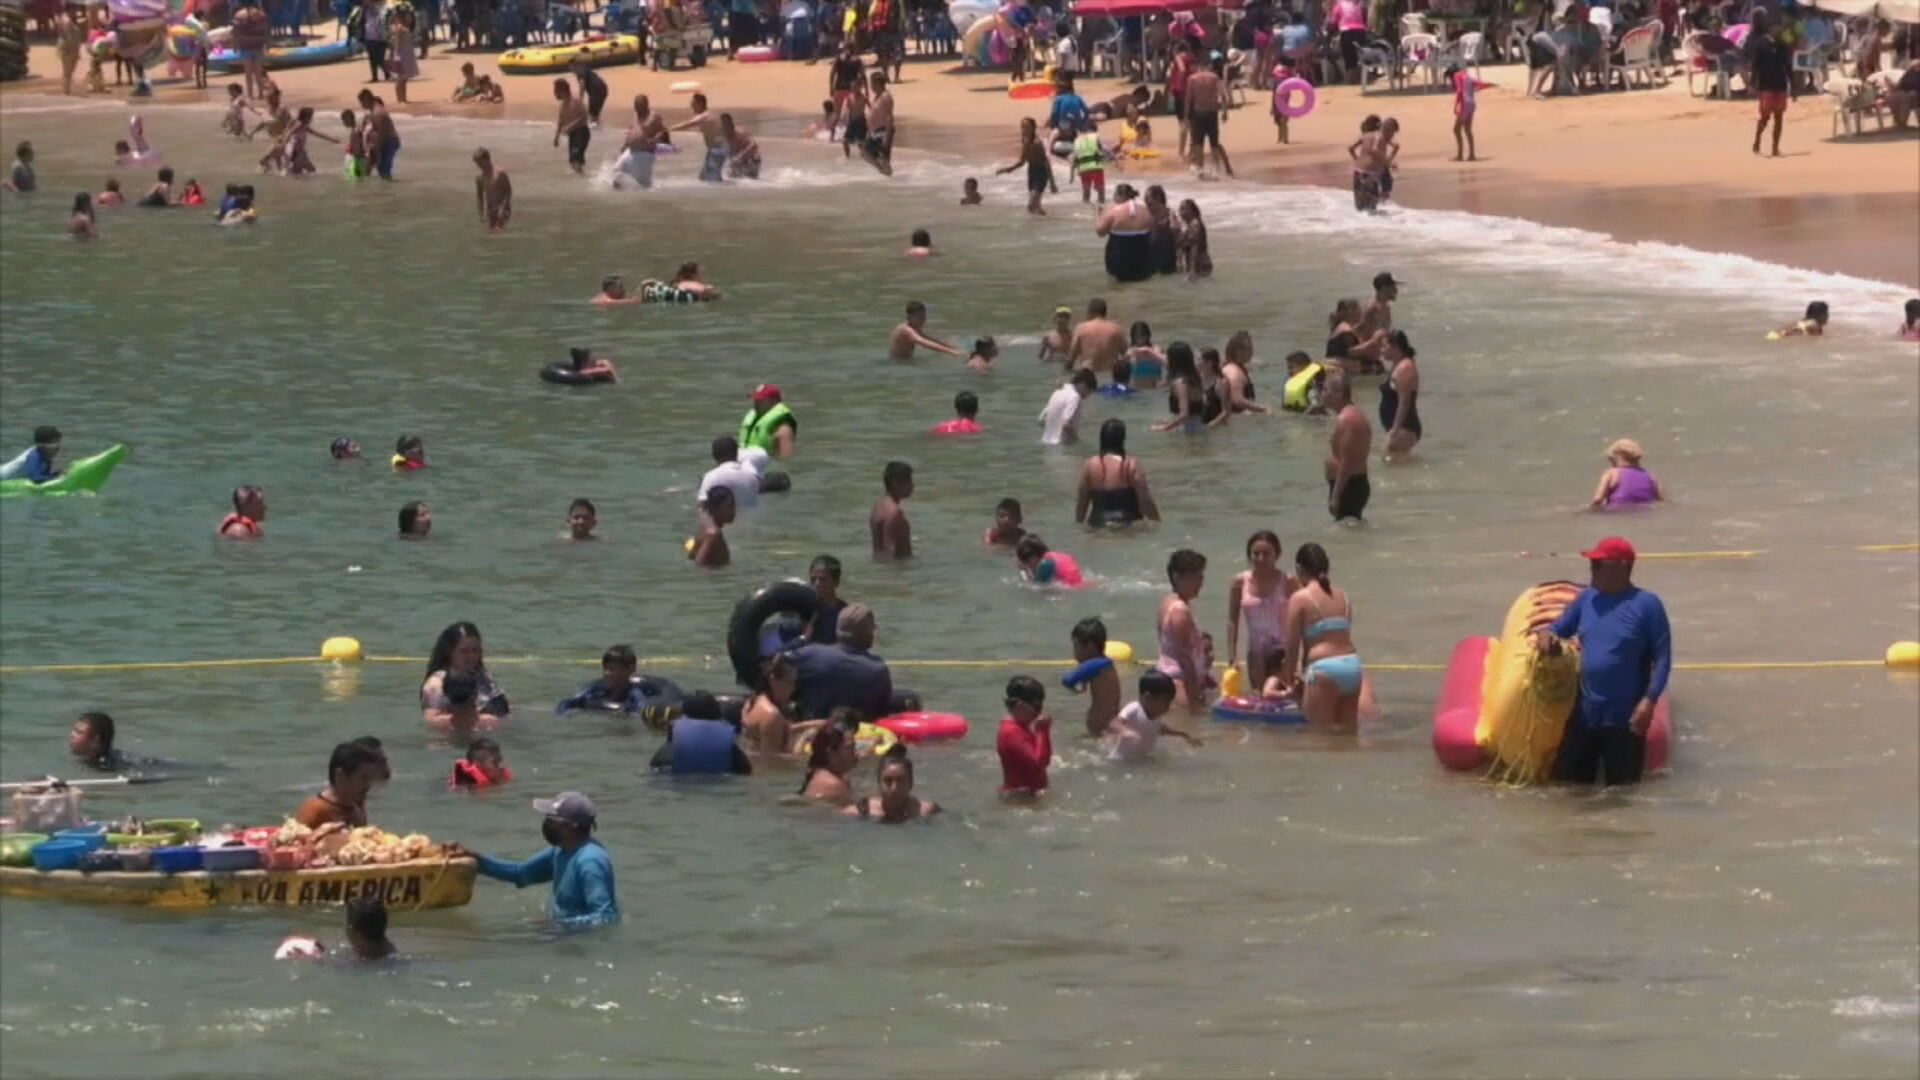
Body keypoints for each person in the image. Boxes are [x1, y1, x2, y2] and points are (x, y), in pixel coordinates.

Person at [1533, 536, 1672, 787]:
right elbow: (1555, 629)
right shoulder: (1587, 599)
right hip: (1585, 716)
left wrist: (1649, 701)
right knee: (1566, 791)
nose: (1591, 569)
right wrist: (1546, 638)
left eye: (1598, 564)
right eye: (1592, 564)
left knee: (1621, 799)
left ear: (1621, 567)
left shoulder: (1647, 605)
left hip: (1626, 722)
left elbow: (1663, 659)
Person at [460, 792, 620, 928]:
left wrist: (559, 924)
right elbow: (521, 873)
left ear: (570, 826)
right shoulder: (560, 851)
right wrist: (477, 862)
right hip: (559, 932)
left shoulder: (590, 862)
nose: (546, 823)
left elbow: (605, 918)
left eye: (551, 820)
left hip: (576, 943)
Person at [1282, 542, 1363, 727]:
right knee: (1347, 737)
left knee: (1318, 738)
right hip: (1352, 667)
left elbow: (1291, 647)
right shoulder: (1343, 596)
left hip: (1324, 670)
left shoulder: (1300, 598)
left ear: (1299, 568)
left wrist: (1289, 683)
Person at [791, 604, 894, 719]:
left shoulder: (808, 655)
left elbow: (775, 665)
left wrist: (802, 639)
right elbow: (882, 714)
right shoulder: (878, 669)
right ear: (868, 634)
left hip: (814, 730)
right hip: (858, 732)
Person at [1227, 530, 1294, 694]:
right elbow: (1232, 621)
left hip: (1282, 651)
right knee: (1258, 697)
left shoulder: (1288, 581)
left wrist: (1298, 654)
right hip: (1256, 652)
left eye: (1266, 553)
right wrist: (1232, 656)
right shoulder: (1240, 582)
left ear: (1277, 555)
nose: (1260, 559)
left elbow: (1301, 618)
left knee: (1277, 694)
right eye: (1255, 554)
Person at [420, 621, 509, 726]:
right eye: (464, 651)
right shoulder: (436, 685)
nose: (470, 656)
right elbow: (431, 720)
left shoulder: (481, 674)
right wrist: (479, 721)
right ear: (450, 652)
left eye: (475, 651)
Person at [1076, 418, 1159, 526]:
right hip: (1127, 525)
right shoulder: (1131, 464)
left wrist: (1079, 525)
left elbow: (1082, 502)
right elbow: (1145, 501)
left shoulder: (1089, 465)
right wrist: (1158, 522)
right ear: (1122, 439)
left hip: (1097, 524)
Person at [1156, 548, 1211, 709]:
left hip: (1165, 675)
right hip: (1179, 682)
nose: (1200, 582)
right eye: (1195, 577)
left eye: (1201, 576)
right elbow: (1185, 659)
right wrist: (1195, 695)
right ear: (1177, 577)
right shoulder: (1180, 610)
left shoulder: (1167, 602)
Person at [1107, 669, 1198, 762]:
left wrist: (1184, 735)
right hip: (1120, 761)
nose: (1168, 707)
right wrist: (1126, 731)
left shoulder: (1155, 717)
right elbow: (1113, 723)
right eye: (1165, 702)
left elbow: (1163, 729)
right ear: (1148, 697)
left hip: (1140, 761)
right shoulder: (1134, 709)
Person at [650, 694, 754, 774]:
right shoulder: (731, 750)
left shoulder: (671, 749)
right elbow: (746, 770)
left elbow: (655, 765)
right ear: (717, 716)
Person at [292, 740, 383, 828]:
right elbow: (291, 841)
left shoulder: (356, 809)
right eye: (363, 778)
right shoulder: (315, 810)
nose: (368, 785)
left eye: (370, 779)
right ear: (340, 775)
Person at [1324, 370, 1372, 523]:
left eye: (1325, 390)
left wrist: (1336, 496)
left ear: (1338, 393)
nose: (1322, 394)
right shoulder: (1347, 415)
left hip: (1349, 487)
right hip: (1349, 485)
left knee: (1348, 531)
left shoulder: (1348, 419)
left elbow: (1347, 461)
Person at [844, 749, 940, 822]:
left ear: (910, 783)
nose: (894, 788)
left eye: (900, 781)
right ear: (879, 783)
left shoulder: (925, 811)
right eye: (888, 781)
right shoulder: (859, 812)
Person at [554, 644, 654, 714]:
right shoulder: (595, 689)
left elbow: (641, 711)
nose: (606, 673)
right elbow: (569, 702)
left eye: (612, 669)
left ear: (630, 669)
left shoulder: (635, 694)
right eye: (605, 668)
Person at [1745, 8, 1792, 157]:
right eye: (1775, 27)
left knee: (1779, 118)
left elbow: (1787, 65)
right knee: (1765, 118)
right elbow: (1755, 65)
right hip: (1766, 85)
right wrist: (1752, 83)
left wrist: (1794, 84)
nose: (1777, 29)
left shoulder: (1782, 45)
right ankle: (1757, 141)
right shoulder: (1761, 44)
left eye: (1779, 27)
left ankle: (1775, 147)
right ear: (1770, 28)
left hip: (1780, 84)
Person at [997, 676, 1053, 797]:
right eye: (1037, 707)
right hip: (1021, 799)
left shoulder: (1018, 727)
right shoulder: (1012, 732)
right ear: (1020, 705)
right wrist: (1042, 731)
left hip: (1026, 796)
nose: (1039, 712)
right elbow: (1039, 764)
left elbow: (1041, 761)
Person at [1066, 616, 1123, 735]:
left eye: (1076, 646)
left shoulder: (1095, 664)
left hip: (1102, 726)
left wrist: (1075, 686)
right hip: (1109, 723)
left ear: (1090, 647)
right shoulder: (1104, 664)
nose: (1074, 652)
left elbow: (1068, 680)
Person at [1094, 184, 1155, 282]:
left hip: (1119, 261)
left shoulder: (1114, 211)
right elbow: (1152, 232)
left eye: (1115, 195)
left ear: (1120, 195)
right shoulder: (1145, 210)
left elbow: (1100, 232)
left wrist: (1098, 215)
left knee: (1118, 288)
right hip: (1142, 260)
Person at [998, 116, 1056, 216]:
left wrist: (1052, 183)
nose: (1024, 129)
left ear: (1033, 128)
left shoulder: (1037, 143)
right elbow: (1022, 161)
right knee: (1036, 206)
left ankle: (1042, 224)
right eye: (1022, 127)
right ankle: (1045, 222)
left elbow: (1046, 162)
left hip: (1041, 173)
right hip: (1032, 172)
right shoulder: (1026, 141)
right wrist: (1008, 169)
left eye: (1026, 127)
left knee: (1031, 206)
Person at [1185, 53, 1232, 177]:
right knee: (1215, 143)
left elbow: (1188, 99)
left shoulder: (1192, 78)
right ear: (1209, 65)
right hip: (1212, 113)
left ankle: (1200, 171)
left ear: (1199, 65)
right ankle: (1218, 170)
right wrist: (1225, 112)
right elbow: (1223, 95)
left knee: (1198, 144)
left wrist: (1186, 117)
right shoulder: (1214, 77)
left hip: (1198, 113)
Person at [1379, 330, 1422, 460]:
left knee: (1388, 463)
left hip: (1405, 427)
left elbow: (1405, 401)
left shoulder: (1405, 368)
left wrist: (1395, 430)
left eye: (1384, 346)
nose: (1381, 350)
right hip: (1398, 427)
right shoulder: (1396, 366)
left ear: (1395, 347)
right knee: (1396, 465)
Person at [1153, 341, 1213, 433]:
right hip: (1199, 427)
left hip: (1187, 431)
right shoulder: (1195, 378)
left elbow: (1184, 414)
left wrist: (1164, 428)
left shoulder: (1181, 382)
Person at [614, 94, 670, 191]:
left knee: (642, 186)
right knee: (615, 175)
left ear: (646, 105)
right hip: (629, 152)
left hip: (644, 154)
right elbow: (632, 130)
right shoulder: (636, 115)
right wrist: (625, 145)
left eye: (639, 107)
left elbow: (664, 132)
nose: (637, 109)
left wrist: (657, 140)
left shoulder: (654, 116)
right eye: (635, 106)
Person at [1588, 438, 1664, 509]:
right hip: (1645, 513)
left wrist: (1584, 511)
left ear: (1615, 457)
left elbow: (1598, 499)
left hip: (1617, 512)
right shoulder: (1650, 476)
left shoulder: (1611, 473)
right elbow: (1662, 500)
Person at [797, 717, 858, 805]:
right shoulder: (832, 784)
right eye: (851, 748)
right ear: (831, 753)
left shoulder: (821, 775)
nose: (856, 753)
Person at [699, 434, 761, 510]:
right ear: (737, 453)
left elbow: (702, 509)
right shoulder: (752, 477)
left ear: (714, 455)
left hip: (724, 521)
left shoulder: (712, 476)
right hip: (751, 521)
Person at [1066, 297, 1126, 374]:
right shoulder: (1117, 329)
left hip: (1088, 377)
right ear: (1105, 312)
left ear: (1091, 312)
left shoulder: (1081, 328)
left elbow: (1070, 359)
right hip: (1109, 374)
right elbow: (1127, 356)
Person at [1039, 369, 1098, 446]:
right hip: (1062, 446)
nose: (1086, 397)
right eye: (1089, 392)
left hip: (1045, 442)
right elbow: (1066, 424)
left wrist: (1053, 432)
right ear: (1083, 384)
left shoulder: (1058, 391)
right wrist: (1077, 441)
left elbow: (1041, 420)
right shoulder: (1075, 396)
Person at [1446, 63, 1491, 161]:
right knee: (1467, 130)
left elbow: (1459, 91)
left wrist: (1456, 106)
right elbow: (1480, 84)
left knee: (1456, 130)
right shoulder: (1467, 76)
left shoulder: (1457, 75)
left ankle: (1460, 155)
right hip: (1472, 105)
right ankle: (1471, 155)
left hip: (1464, 105)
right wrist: (1491, 84)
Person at [889, 301, 963, 361]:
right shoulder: (906, 330)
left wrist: (952, 347)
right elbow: (925, 343)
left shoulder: (914, 327)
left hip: (905, 361)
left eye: (924, 316)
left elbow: (927, 339)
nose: (923, 320)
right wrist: (952, 352)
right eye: (919, 317)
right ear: (909, 317)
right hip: (897, 363)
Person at [739, 384, 797, 458]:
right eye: (755, 400)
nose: (756, 403)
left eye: (760, 400)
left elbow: (787, 460)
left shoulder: (784, 429)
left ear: (774, 401)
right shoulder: (753, 419)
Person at [870, 461, 914, 559]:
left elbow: (880, 550)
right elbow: (890, 553)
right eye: (908, 480)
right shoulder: (895, 512)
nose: (912, 485)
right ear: (895, 483)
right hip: (899, 568)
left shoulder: (878, 507)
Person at [67, 711, 135, 772]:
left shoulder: (107, 767)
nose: (72, 735)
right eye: (74, 730)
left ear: (95, 741)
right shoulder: (88, 758)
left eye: (79, 732)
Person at [355, 90, 400, 180]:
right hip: (387, 141)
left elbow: (382, 133)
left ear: (367, 99)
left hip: (388, 142)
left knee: (384, 170)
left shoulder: (377, 112)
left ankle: (389, 190)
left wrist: (377, 149)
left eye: (361, 102)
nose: (361, 105)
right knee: (382, 170)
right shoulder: (374, 111)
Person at [805, 554, 848, 644]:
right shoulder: (803, 610)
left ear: (836, 582)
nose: (816, 584)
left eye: (822, 580)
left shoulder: (845, 614)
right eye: (813, 579)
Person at [552, 78, 591, 174]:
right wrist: (556, 137)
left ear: (562, 90)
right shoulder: (562, 105)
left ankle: (581, 178)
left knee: (576, 159)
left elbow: (584, 116)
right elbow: (560, 121)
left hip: (582, 132)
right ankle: (582, 180)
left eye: (555, 90)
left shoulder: (576, 100)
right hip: (573, 135)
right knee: (573, 162)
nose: (554, 93)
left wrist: (570, 126)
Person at [1015, 535, 1085, 588]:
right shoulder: (1055, 556)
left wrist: (1023, 571)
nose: (1028, 566)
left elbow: (1032, 586)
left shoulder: (1044, 565)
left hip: (1069, 591)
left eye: (1026, 561)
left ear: (1033, 556)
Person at [690, 486, 735, 567]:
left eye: (734, 505)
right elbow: (699, 565)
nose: (734, 511)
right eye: (729, 506)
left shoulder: (704, 527)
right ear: (715, 508)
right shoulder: (714, 534)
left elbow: (691, 557)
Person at [861, 71, 895, 176]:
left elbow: (890, 117)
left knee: (883, 156)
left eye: (872, 83)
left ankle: (888, 176)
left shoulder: (886, 96)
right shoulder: (877, 96)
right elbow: (876, 111)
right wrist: (868, 104)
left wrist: (886, 136)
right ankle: (882, 171)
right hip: (875, 131)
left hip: (883, 130)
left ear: (877, 83)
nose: (871, 86)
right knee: (865, 153)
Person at [472, 147, 511, 230]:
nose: (479, 166)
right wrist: (481, 214)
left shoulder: (500, 173)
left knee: (499, 231)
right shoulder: (480, 178)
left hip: (502, 209)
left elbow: (508, 191)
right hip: (490, 211)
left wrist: (503, 208)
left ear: (487, 159)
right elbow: (479, 196)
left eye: (480, 163)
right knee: (491, 233)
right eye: (477, 163)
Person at [1124, 320, 1166, 388]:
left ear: (1148, 335)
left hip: (1156, 390)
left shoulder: (1157, 350)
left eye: (1142, 336)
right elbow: (1121, 373)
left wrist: (1164, 383)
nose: (1140, 340)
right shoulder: (1130, 353)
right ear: (1133, 338)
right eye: (1137, 337)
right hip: (1138, 390)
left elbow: (1170, 366)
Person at [1176, 199, 1212, 278]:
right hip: (1198, 264)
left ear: (1192, 211)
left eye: (1183, 209)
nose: (1180, 212)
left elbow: (1194, 247)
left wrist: (1192, 270)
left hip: (1199, 264)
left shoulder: (1195, 225)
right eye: (1180, 209)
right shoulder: (1187, 225)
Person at [720, 113, 761, 179]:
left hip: (751, 158)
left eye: (724, 126)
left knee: (749, 180)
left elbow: (753, 145)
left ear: (731, 125)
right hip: (737, 162)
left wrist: (740, 156)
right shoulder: (722, 136)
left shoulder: (740, 133)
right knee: (731, 177)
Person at [572, 56, 609, 126]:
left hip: (596, 89)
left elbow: (582, 83)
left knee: (592, 112)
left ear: (573, 65)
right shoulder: (584, 68)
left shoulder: (579, 70)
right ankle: (597, 126)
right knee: (595, 111)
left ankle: (595, 126)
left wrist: (580, 98)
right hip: (603, 88)